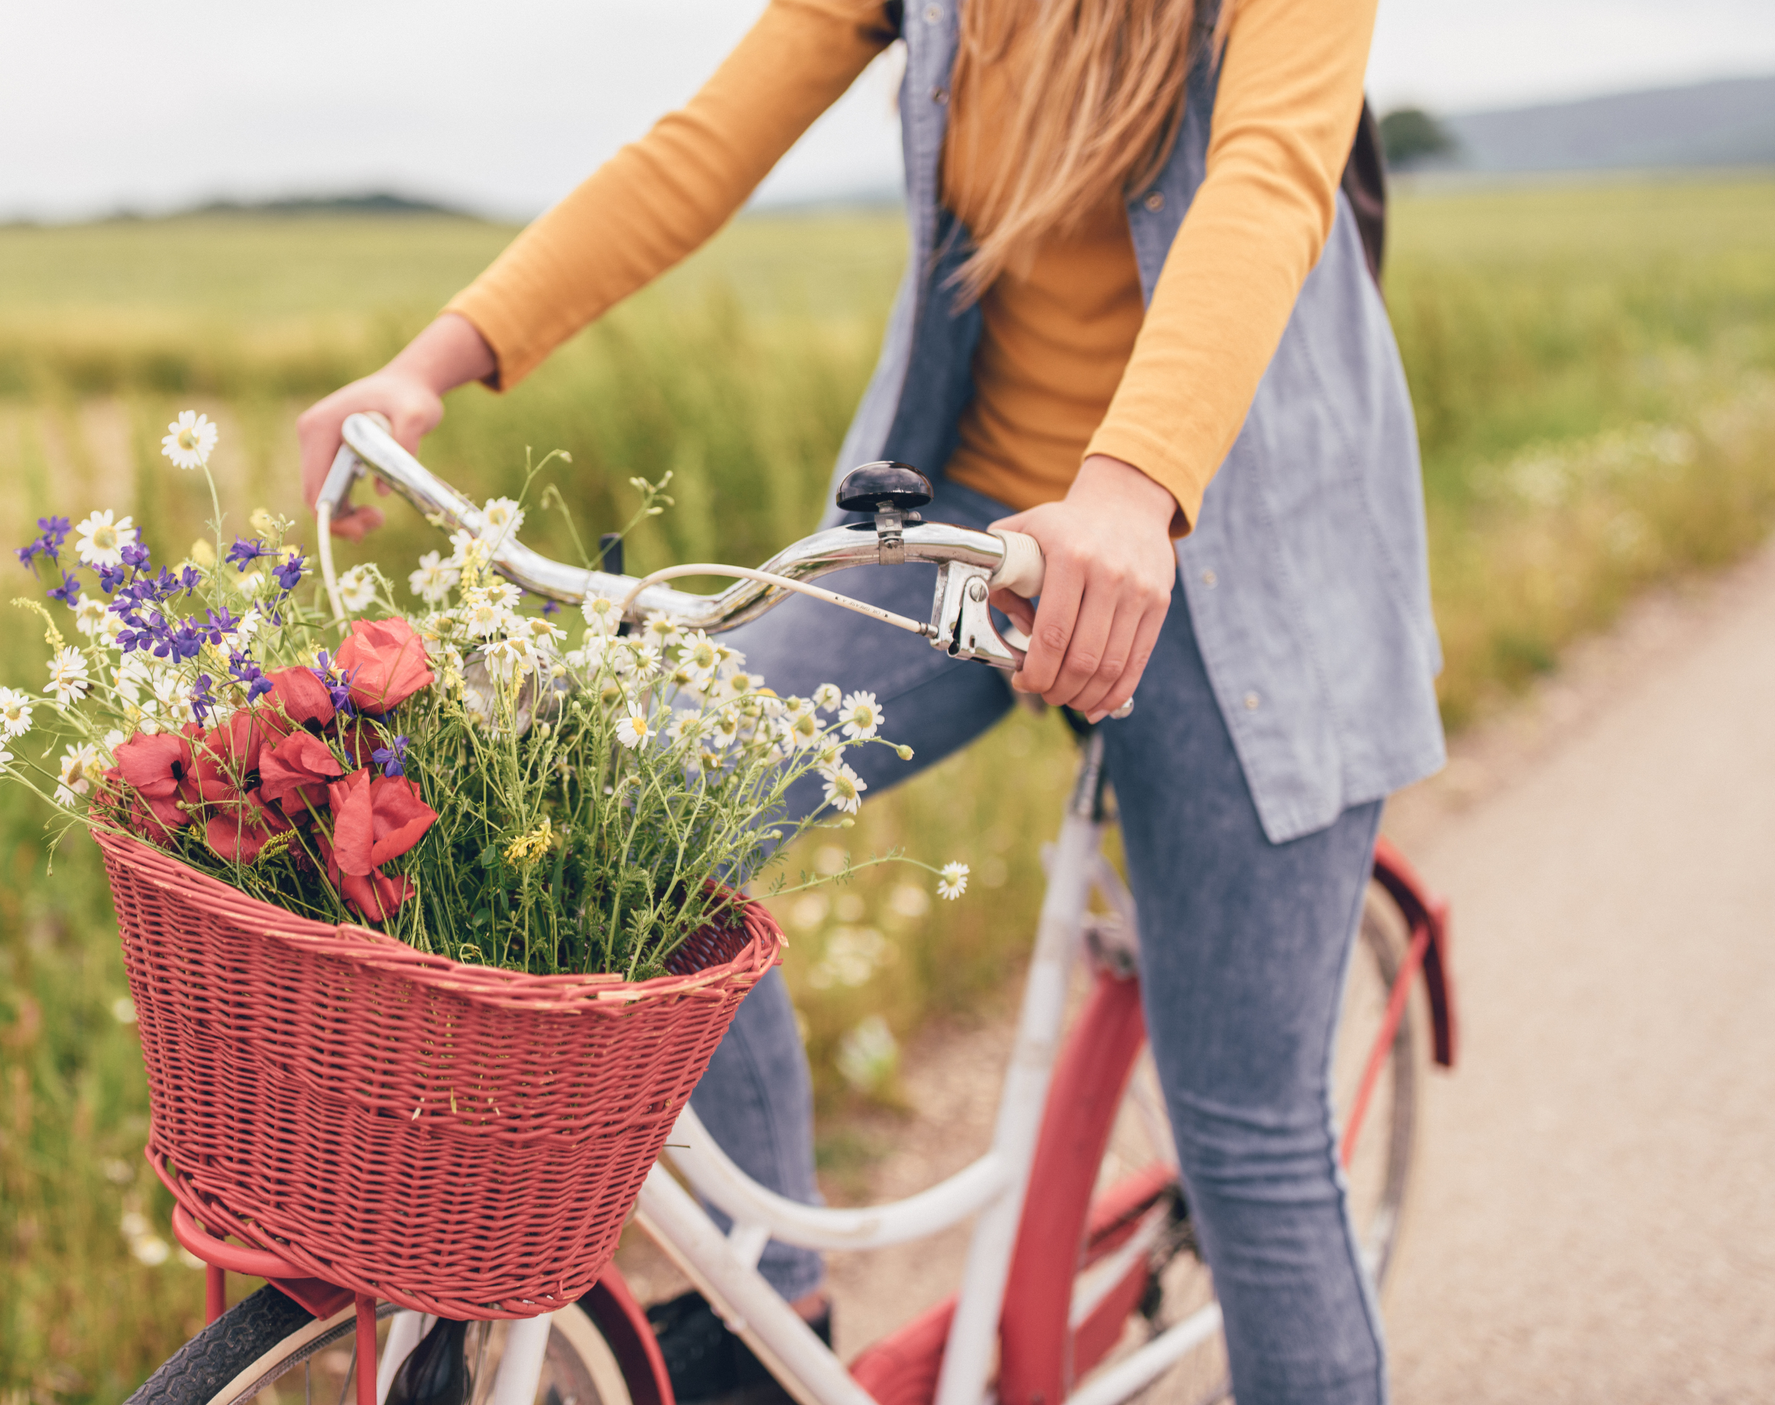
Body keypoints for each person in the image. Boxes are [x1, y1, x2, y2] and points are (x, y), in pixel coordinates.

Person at [296, 0, 1444, 1399]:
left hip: (1230, 549)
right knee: (653, 811)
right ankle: (773, 1324)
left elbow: (1265, 181)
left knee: (1250, 1141)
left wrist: (1132, 493)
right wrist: (433, 362)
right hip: (964, 522)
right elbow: (698, 150)